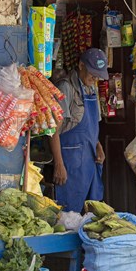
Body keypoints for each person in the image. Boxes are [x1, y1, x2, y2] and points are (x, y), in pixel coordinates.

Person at [49, 48, 108, 213]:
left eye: (98, 75)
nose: (95, 78)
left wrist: (98, 146)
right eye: (92, 73)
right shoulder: (66, 88)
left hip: (89, 161)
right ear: (81, 65)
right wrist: (59, 165)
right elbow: (53, 130)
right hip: (70, 163)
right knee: (68, 215)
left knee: (90, 213)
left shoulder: (92, 89)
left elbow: (92, 127)